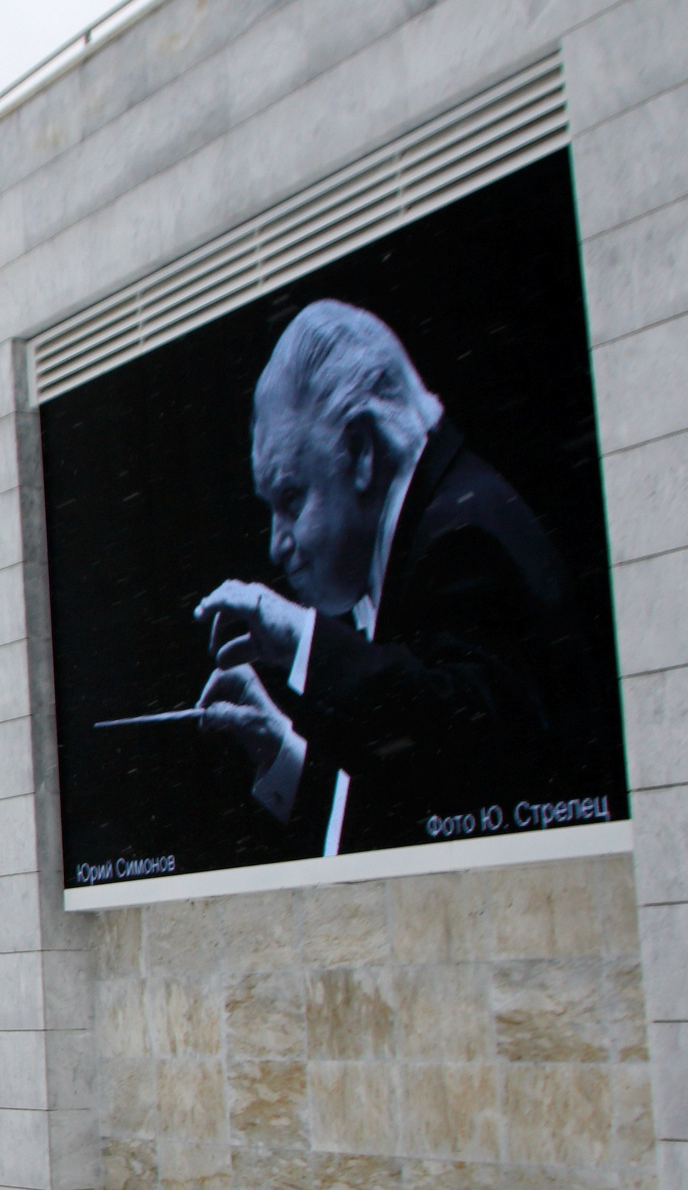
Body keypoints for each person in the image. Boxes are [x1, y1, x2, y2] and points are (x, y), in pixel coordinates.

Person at [192, 299, 584, 855]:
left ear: (360, 452)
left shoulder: (459, 543)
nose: (277, 546)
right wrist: (278, 749)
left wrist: (302, 640)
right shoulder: (443, 522)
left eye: (290, 497)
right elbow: (418, 808)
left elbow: (473, 779)